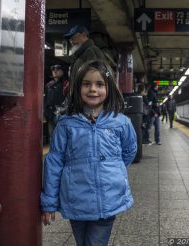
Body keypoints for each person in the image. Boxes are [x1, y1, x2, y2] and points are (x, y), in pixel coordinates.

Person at [40, 60, 137, 246]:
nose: (93, 89)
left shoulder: (120, 122)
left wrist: (113, 168)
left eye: (99, 84)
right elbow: (54, 162)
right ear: (77, 88)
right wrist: (49, 202)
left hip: (107, 201)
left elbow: (129, 150)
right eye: (87, 84)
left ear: (109, 88)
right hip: (76, 199)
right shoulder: (66, 124)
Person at [63, 25, 105, 95]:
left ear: (84, 35)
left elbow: (96, 77)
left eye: (74, 37)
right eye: (70, 39)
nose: (72, 42)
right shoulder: (81, 54)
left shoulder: (91, 50)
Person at [44, 64, 68, 140]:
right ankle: (53, 151)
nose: (55, 72)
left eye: (57, 70)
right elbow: (45, 99)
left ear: (62, 72)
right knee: (52, 134)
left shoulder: (66, 84)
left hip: (62, 114)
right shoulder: (48, 85)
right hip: (50, 113)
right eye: (53, 71)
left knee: (62, 135)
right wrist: (45, 111)